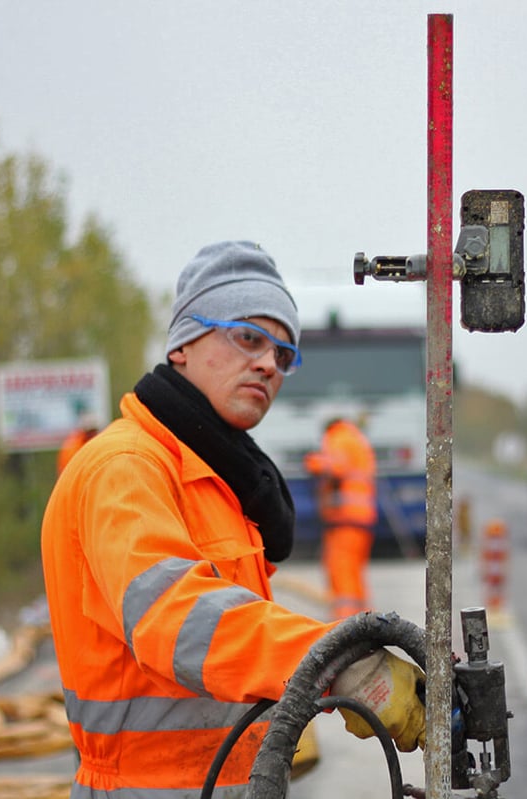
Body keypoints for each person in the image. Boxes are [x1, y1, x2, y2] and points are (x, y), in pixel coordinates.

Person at [40, 241, 426, 799]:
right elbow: (179, 618)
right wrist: (340, 661)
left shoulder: (215, 481)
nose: (269, 363)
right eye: (249, 337)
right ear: (183, 345)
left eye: (284, 354)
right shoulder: (125, 468)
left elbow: (239, 639)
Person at [304, 416, 378, 619]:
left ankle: (345, 623)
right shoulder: (357, 439)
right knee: (353, 574)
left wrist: (312, 461)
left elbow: (335, 467)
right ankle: (364, 620)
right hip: (360, 519)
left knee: (341, 571)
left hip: (345, 518)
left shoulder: (337, 437)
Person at [56, 411, 100, 476]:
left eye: (94, 431)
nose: (92, 434)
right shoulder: (73, 446)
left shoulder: (97, 443)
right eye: (89, 431)